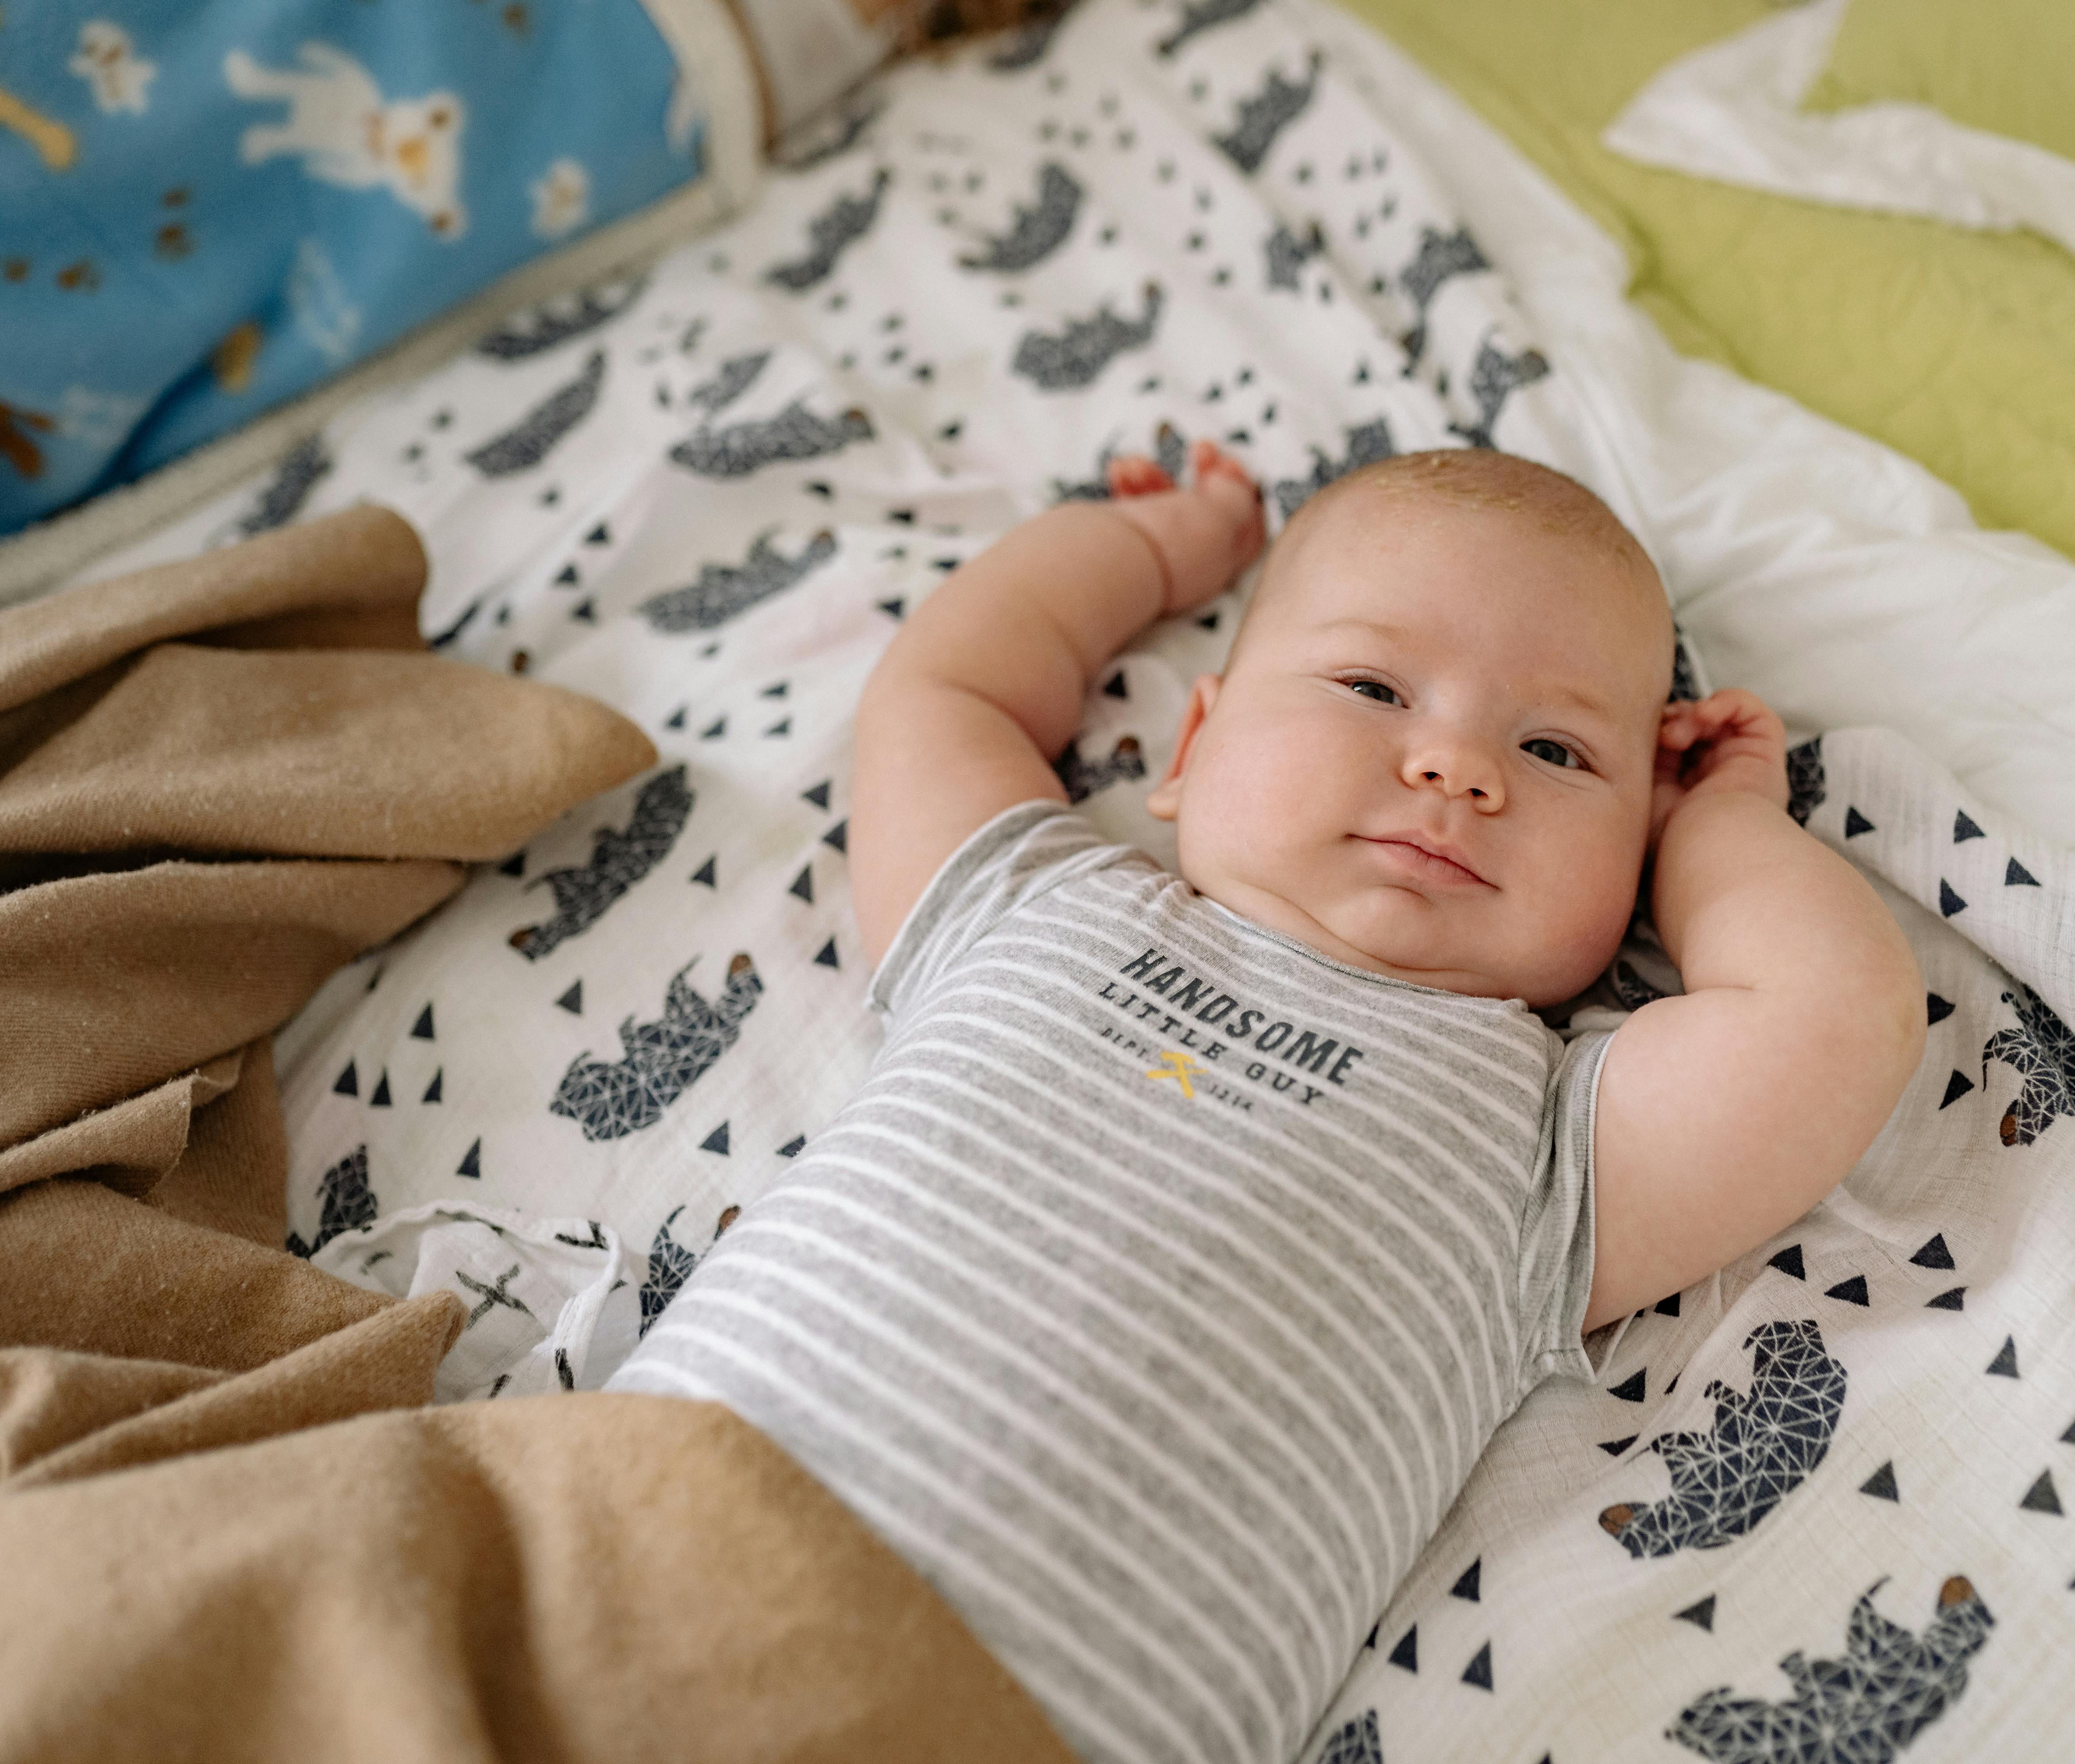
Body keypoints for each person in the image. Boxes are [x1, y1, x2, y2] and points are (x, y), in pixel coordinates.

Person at [612, 441, 1925, 1764]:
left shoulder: (1547, 1146)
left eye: (1559, 751)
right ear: (1190, 745)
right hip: (623, 1537)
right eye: (1372, 686)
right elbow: (949, 691)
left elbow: (1828, 1019)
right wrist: (1168, 544)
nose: (1460, 769)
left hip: (1017, 1708)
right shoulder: (1029, 903)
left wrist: (1722, 825)